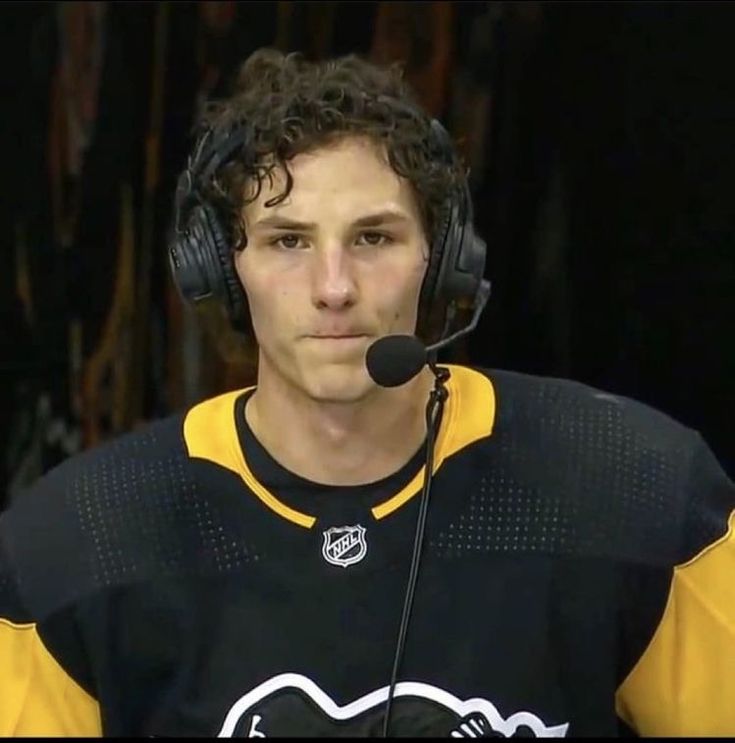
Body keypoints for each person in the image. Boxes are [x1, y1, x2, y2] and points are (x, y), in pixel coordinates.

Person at [1, 48, 733, 739]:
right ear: (222, 272)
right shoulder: (72, 548)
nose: (333, 288)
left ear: (442, 261)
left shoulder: (635, 491)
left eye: (373, 238)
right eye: (287, 241)